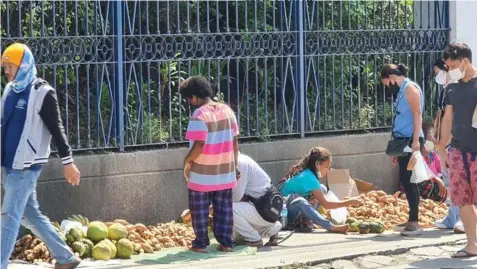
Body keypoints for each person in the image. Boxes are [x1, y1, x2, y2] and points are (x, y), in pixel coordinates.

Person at [1, 43, 81, 269]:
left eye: (10, 67)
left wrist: (68, 162)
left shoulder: (42, 92)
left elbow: (57, 128)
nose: (6, 72)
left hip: (26, 167)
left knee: (8, 217)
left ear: (24, 65)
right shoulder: (10, 90)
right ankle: (65, 257)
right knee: (29, 215)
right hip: (9, 164)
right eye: (5, 67)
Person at [180, 76, 240, 253]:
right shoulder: (228, 111)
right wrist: (234, 164)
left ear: (195, 97)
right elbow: (235, 140)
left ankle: (200, 243)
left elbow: (199, 143)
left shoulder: (199, 115)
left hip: (202, 173)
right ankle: (226, 243)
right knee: (224, 209)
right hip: (224, 170)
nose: (189, 102)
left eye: (189, 99)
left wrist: (187, 161)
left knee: (199, 210)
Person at [437, 42, 477, 258]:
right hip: (458, 151)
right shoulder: (451, 87)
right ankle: (472, 244)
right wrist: (442, 147)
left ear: (464, 61)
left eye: (452, 65)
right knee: (463, 200)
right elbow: (447, 118)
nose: (449, 70)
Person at [381, 63, 425, 236]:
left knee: (409, 180)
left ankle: (415, 222)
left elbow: (417, 114)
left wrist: (415, 141)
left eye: (386, 84)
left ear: (391, 77)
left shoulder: (410, 89)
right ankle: (410, 218)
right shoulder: (402, 90)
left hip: (410, 140)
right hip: (402, 141)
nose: (387, 88)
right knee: (405, 179)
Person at [278, 147, 361, 234]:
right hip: (284, 215)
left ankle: (306, 221)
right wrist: (349, 202)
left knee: (322, 189)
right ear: (317, 164)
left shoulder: (308, 173)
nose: (328, 170)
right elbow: (327, 205)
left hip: (291, 206)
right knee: (300, 202)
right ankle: (330, 227)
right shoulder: (309, 177)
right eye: (326, 167)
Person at [432, 58, 464, 233]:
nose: (438, 77)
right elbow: (442, 116)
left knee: (458, 180)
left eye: (439, 73)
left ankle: (461, 218)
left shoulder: (460, 89)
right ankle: (452, 216)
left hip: (456, 141)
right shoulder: (446, 91)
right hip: (445, 142)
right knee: (448, 179)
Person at [232, 153, 282, 247]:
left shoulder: (239, 163)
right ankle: (272, 230)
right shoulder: (243, 159)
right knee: (238, 218)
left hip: (264, 208)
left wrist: (216, 204)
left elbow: (236, 197)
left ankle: (255, 239)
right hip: (269, 210)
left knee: (228, 209)